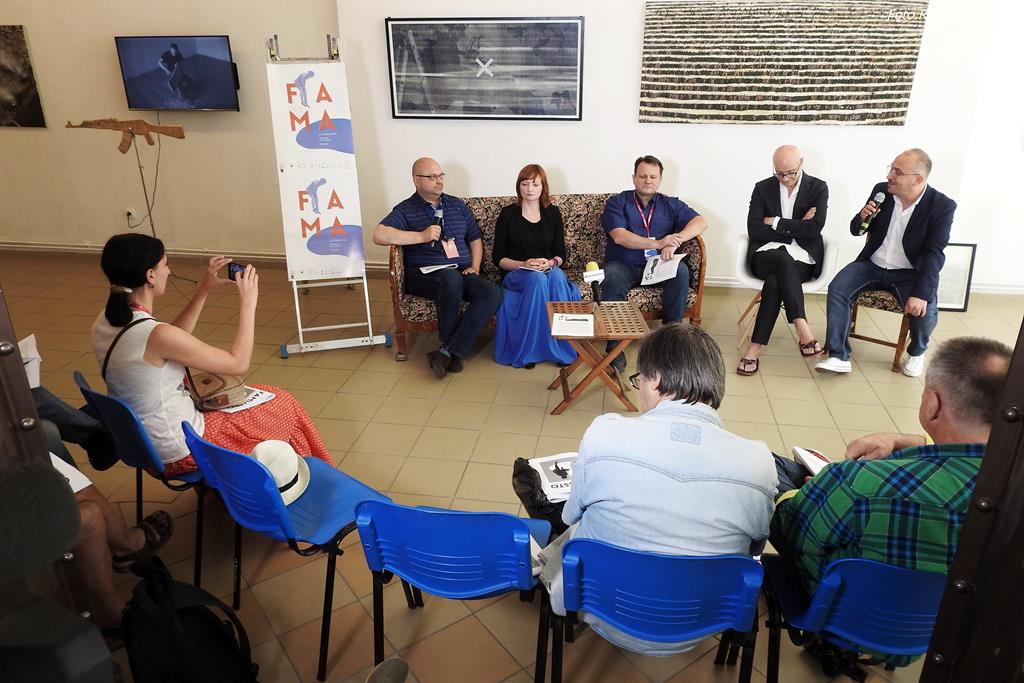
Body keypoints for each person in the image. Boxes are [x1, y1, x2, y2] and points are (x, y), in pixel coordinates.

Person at [540, 323, 778, 655]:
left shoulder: (604, 433)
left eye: (638, 379)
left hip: (601, 609)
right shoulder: (759, 461)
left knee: (574, 533)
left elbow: (570, 516)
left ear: (656, 380)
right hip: (702, 621)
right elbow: (755, 545)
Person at [774, 336, 1011, 667]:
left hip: (842, 616)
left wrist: (803, 493)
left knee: (778, 474)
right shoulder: (1011, 491)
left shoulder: (860, 484)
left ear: (933, 405)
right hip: (940, 630)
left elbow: (797, 532)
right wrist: (907, 441)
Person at [91, 233, 333, 477]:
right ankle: (306, 481)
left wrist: (205, 289)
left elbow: (170, 339)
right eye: (165, 264)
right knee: (284, 405)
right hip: (180, 450)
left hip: (140, 444)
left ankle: (249, 482)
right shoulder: (156, 335)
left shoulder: (105, 321)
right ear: (150, 275)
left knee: (267, 400)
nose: (169, 271)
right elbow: (238, 364)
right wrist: (249, 303)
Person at [816, 148, 956, 377]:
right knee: (837, 288)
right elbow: (856, 230)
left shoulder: (941, 206)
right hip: (871, 264)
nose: (889, 175)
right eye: (890, 168)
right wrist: (862, 218)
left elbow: (935, 252)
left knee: (926, 308)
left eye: (897, 172)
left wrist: (921, 294)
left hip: (909, 272)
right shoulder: (882, 191)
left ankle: (917, 352)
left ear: (917, 179)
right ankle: (839, 355)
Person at [373, 158, 502, 378]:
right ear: (416, 180)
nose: (439, 181)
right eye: (432, 177)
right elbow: (379, 235)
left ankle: (448, 351)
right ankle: (451, 349)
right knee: (450, 278)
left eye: (441, 176)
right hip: (425, 275)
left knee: (492, 292)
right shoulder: (406, 209)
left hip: (460, 271)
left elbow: (474, 238)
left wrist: (474, 266)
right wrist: (420, 236)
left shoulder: (456, 205)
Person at [600, 155, 708, 372]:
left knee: (680, 271)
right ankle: (614, 346)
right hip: (623, 265)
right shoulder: (617, 202)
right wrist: (658, 243)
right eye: (642, 176)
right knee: (611, 276)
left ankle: (670, 341)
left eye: (653, 177)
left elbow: (701, 222)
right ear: (634, 178)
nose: (647, 181)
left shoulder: (670, 204)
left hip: (658, 264)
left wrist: (675, 241)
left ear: (660, 179)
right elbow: (619, 236)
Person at [738, 145, 828, 376]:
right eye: (779, 173)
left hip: (802, 257)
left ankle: (753, 348)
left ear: (802, 163)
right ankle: (801, 325)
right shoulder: (762, 188)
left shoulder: (818, 187)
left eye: (791, 173)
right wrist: (797, 226)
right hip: (765, 254)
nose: (785, 178)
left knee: (775, 282)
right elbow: (754, 230)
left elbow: (814, 228)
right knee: (781, 257)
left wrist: (775, 221)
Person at [492, 164, 579, 368]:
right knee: (537, 279)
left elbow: (561, 254)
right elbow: (498, 258)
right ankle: (530, 351)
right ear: (518, 186)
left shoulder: (553, 212)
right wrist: (524, 264)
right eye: (525, 184)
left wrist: (551, 262)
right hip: (517, 272)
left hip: (547, 269)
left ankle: (562, 348)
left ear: (543, 187)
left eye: (535, 184)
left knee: (557, 276)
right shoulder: (508, 214)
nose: (529, 189)